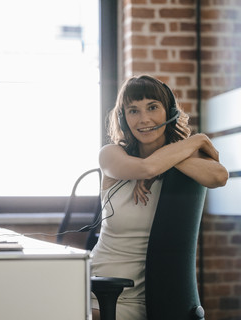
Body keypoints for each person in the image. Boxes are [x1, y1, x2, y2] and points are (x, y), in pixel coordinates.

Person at [91, 74, 228, 320]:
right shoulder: (111, 156)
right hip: (97, 287)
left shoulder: (181, 162)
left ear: (170, 112)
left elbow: (219, 176)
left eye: (152, 107)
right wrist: (197, 140)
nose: (144, 119)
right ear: (123, 119)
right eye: (133, 111)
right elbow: (146, 169)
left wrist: (169, 156)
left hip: (143, 299)